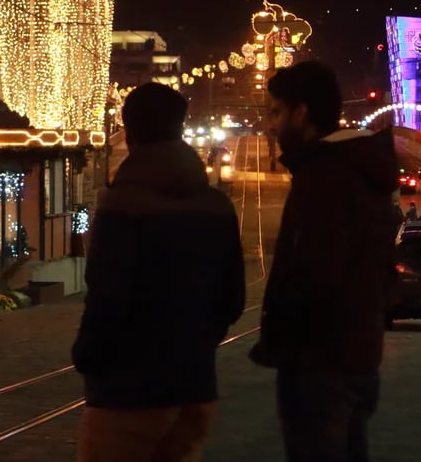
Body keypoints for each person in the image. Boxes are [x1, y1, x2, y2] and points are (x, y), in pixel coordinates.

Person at [73, 82, 245, 462]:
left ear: (128, 130)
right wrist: (195, 342)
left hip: (126, 390)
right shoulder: (216, 205)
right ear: (180, 127)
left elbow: (107, 295)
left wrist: (87, 357)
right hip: (195, 385)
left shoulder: (122, 204)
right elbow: (232, 299)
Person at [249, 61, 397, 462]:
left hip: (319, 363)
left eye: (276, 111)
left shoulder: (325, 176)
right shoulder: (360, 170)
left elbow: (316, 272)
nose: (272, 124)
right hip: (357, 354)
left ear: (301, 113)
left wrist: (283, 337)